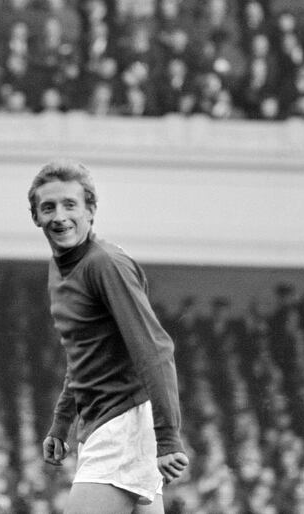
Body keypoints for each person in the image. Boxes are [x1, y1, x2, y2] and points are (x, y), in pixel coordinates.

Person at [27, 161, 189, 514]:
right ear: (35, 217)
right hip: (102, 424)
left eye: (70, 205)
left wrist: (168, 437)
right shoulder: (61, 267)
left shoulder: (105, 264)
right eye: (48, 207)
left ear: (91, 211)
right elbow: (85, 355)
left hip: (122, 423)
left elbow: (155, 350)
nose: (60, 216)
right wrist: (62, 422)